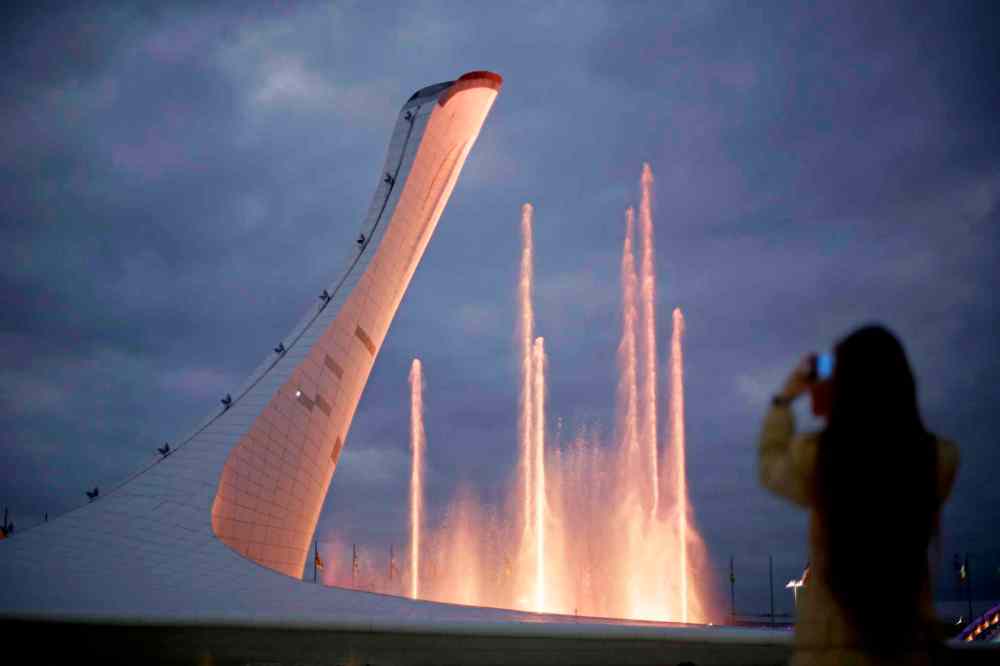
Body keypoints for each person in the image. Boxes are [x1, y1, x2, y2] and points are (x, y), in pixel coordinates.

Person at [759, 325, 959, 665]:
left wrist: (787, 397)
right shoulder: (937, 459)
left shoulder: (820, 458)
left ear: (843, 388)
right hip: (908, 649)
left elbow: (770, 464)